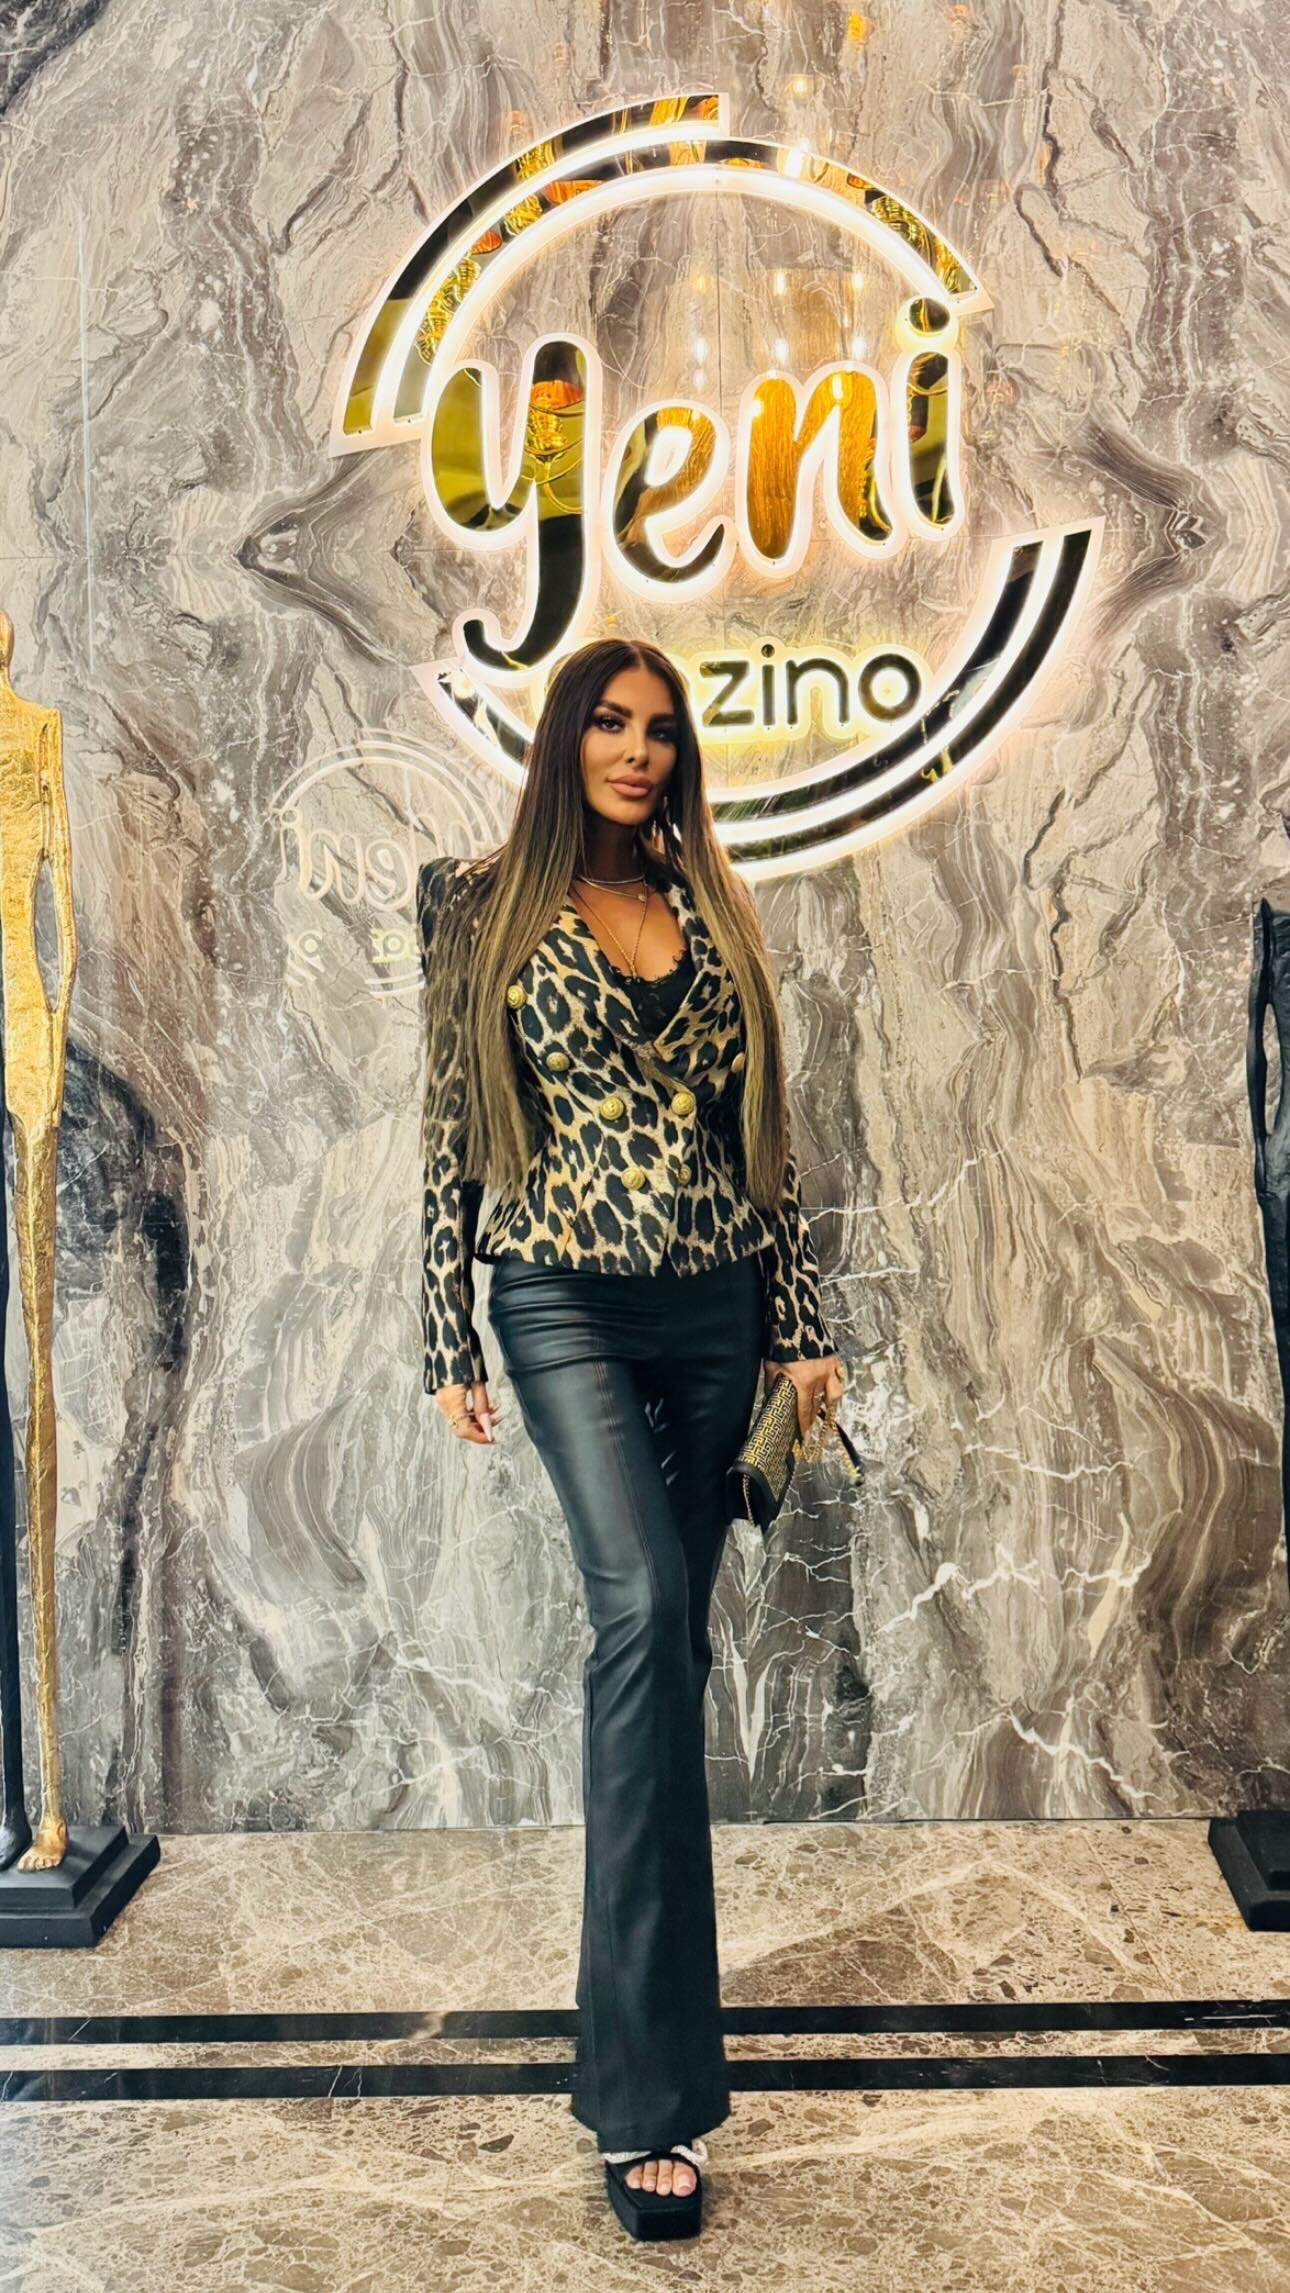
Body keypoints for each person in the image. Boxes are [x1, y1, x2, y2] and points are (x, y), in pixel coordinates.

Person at [417, 636, 846, 2241]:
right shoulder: (479, 906)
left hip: (713, 1311)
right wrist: (444, 1329)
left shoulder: (713, 905)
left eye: (659, 729)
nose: (637, 749)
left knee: (661, 1660)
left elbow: (765, 1144)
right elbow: (449, 1125)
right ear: (565, 738)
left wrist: (798, 1326)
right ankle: (648, 2100)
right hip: (561, 1301)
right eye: (609, 721)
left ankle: (636, 2055)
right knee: (641, 1613)